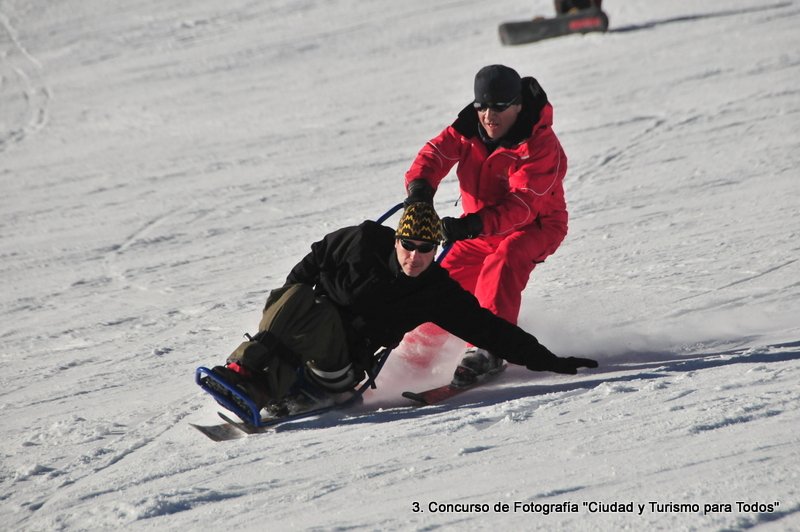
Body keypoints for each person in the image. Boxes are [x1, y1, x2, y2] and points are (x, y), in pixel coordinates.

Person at [209, 203, 597, 414]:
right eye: (408, 245)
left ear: (436, 251)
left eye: (426, 249)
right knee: (295, 296)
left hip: (342, 368)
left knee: (313, 311)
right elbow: (313, 260)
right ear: (396, 240)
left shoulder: (434, 291)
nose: (415, 256)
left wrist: (549, 360)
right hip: (302, 338)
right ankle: (250, 374)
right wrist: (295, 297)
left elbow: (487, 329)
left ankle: (261, 383)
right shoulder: (360, 241)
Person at [403, 64, 569, 385]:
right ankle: (416, 354)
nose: (489, 116)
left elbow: (522, 205)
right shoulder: (467, 130)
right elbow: (435, 153)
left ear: (518, 106)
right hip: (479, 228)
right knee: (442, 283)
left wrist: (471, 225)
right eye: (482, 107)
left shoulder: (539, 146)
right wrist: (420, 189)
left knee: (503, 261)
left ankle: (489, 349)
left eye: (499, 107)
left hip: (535, 226)